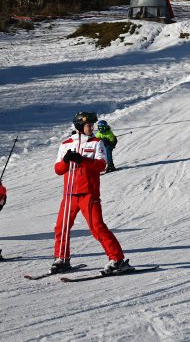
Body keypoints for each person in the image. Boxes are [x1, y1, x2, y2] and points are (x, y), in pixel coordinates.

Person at [51, 111, 129, 275]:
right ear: (79, 126)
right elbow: (58, 170)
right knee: (61, 227)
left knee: (97, 227)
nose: (91, 128)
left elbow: (101, 165)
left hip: (89, 193)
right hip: (70, 194)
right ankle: (62, 259)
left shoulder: (96, 142)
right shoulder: (65, 144)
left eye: (92, 125)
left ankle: (117, 259)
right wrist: (66, 161)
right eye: (88, 125)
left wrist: (82, 160)